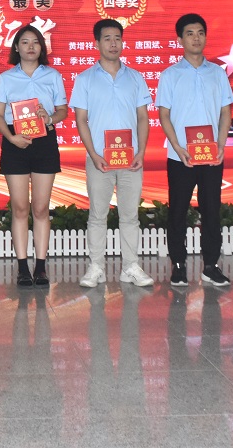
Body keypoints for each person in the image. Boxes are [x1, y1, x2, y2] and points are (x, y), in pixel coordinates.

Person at [71, 18, 154, 289]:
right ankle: (96, 267)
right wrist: (93, 154)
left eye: (117, 38)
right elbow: (81, 119)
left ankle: (130, 267)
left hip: (131, 160)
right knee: (97, 215)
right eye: (107, 38)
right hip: (100, 159)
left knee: (130, 215)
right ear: (96, 43)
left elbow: (143, 117)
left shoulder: (136, 77)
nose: (113, 43)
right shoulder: (84, 79)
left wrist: (141, 152)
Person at [156, 13, 233, 288]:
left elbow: (226, 111)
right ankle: (178, 265)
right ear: (180, 39)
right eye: (190, 33)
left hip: (212, 156)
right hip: (181, 157)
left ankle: (211, 266)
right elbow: (164, 114)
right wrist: (177, 147)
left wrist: (221, 145)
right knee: (178, 211)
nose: (196, 38)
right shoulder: (170, 75)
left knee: (212, 210)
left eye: (200, 32)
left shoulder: (217, 73)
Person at [0, 25, 68, 287]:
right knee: (20, 208)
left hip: (44, 141)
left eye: (35, 42)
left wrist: (50, 118)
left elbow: (62, 110)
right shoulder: (5, 78)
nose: (31, 46)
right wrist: (11, 137)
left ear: (42, 47)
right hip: (15, 141)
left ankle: (41, 267)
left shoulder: (53, 75)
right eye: (25, 42)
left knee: (41, 208)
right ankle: (23, 267)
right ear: (16, 47)